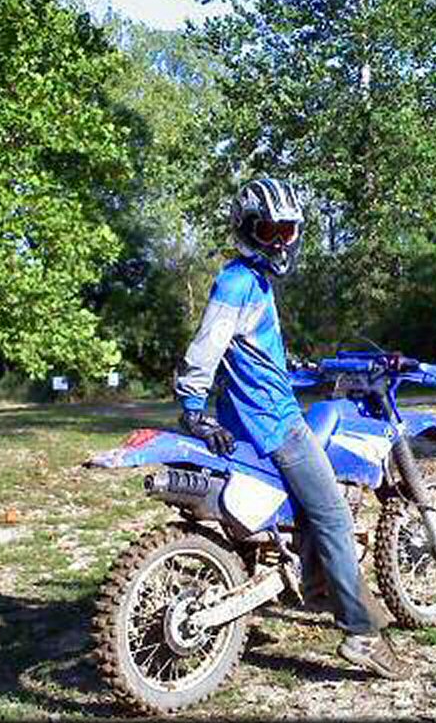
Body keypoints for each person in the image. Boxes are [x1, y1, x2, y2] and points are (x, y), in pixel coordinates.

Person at [173, 177, 409, 680]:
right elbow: (207, 346)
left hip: (251, 419)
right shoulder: (238, 282)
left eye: (289, 229)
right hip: (276, 427)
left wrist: (304, 370)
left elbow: (251, 354)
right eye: (270, 230)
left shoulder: (254, 281)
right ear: (246, 230)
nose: (281, 240)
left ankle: (307, 575)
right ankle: (362, 635)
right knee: (335, 519)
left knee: (312, 509)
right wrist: (192, 405)